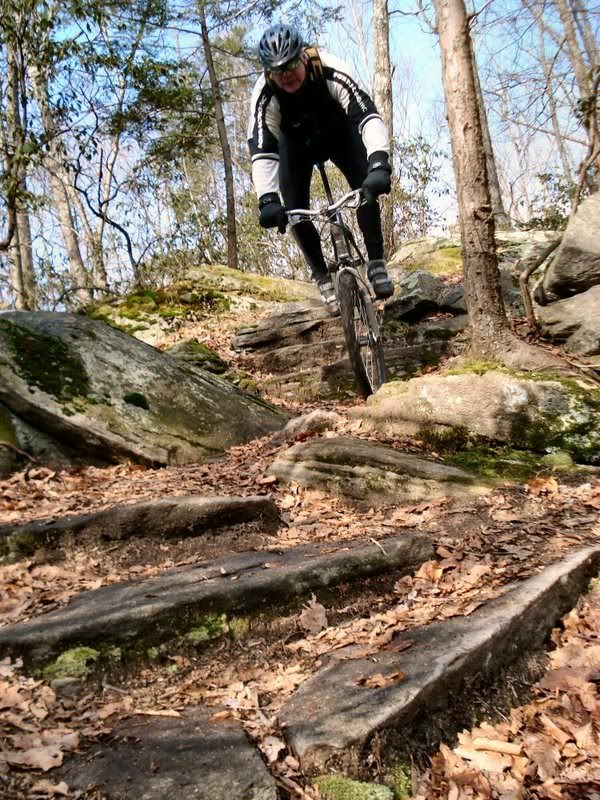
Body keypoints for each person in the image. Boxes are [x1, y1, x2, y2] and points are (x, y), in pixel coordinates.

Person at [247, 23, 394, 315]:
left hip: (338, 133)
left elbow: (366, 114)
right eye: (278, 70)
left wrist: (379, 161)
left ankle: (376, 262)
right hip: (295, 147)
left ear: (303, 55)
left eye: (290, 65)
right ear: (268, 71)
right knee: (293, 211)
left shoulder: (328, 67)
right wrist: (267, 199)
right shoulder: (264, 94)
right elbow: (262, 149)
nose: (286, 74)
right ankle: (321, 276)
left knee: (365, 186)